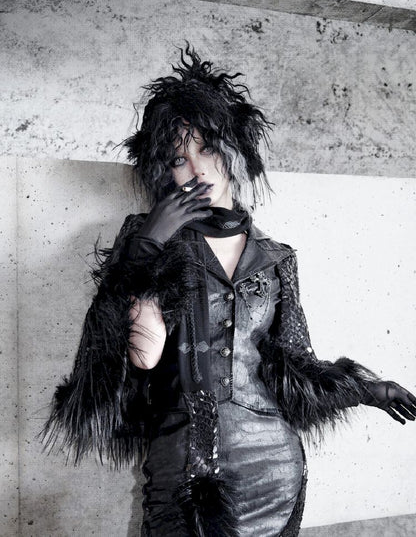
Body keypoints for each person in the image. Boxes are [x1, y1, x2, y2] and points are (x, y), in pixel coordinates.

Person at [41, 44, 416, 537]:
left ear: (235, 151)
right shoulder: (145, 239)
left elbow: (294, 366)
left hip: (275, 467)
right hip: (186, 470)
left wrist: (366, 389)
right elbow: (142, 356)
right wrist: (149, 245)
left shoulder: (277, 256)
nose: (197, 170)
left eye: (208, 149)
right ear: (164, 171)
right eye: (179, 159)